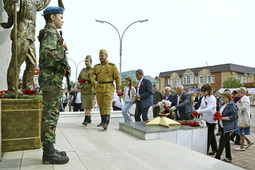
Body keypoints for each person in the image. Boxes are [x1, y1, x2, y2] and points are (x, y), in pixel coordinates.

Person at [38, 6, 70, 164]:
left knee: (52, 114)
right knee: (50, 114)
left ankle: (50, 148)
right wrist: (64, 60)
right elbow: (48, 53)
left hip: (52, 80)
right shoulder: (51, 32)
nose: (62, 20)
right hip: (51, 80)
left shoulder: (51, 32)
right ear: (52, 17)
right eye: (60, 17)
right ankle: (48, 153)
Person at [1, 0, 51, 94]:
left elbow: (42, 4)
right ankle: (12, 90)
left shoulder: (34, 1)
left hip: (31, 34)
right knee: (17, 61)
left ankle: (26, 89)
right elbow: (9, 8)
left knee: (32, 63)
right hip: (21, 31)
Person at [90, 49, 121, 130]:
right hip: (99, 88)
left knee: (107, 104)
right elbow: (91, 75)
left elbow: (117, 77)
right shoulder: (96, 67)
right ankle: (103, 120)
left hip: (109, 88)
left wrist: (118, 88)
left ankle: (106, 122)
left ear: (106, 56)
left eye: (102, 56)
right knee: (101, 105)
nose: (101, 57)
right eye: (100, 56)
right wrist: (94, 81)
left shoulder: (112, 66)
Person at [214, 91, 238, 163]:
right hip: (222, 125)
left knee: (222, 141)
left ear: (228, 98)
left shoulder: (232, 105)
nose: (222, 99)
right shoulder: (223, 104)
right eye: (222, 97)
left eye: (224, 97)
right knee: (226, 142)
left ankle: (218, 156)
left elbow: (234, 117)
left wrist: (222, 118)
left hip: (228, 127)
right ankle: (228, 157)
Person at [196, 84, 217, 155]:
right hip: (205, 118)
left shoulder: (212, 98)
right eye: (202, 90)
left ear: (208, 91)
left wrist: (199, 111)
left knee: (208, 135)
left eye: (204, 91)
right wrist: (197, 111)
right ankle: (215, 149)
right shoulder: (203, 97)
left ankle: (205, 151)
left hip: (211, 119)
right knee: (211, 135)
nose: (202, 92)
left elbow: (209, 108)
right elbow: (201, 106)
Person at [78, 55, 96, 126]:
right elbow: (79, 78)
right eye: (85, 61)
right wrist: (80, 81)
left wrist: (94, 78)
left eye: (88, 61)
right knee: (85, 105)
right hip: (84, 88)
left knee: (88, 105)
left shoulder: (93, 70)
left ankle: (86, 118)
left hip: (91, 89)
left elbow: (96, 78)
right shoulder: (83, 70)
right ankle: (88, 118)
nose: (86, 62)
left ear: (91, 62)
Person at [234, 87, 254, 151]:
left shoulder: (245, 99)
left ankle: (242, 147)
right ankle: (248, 142)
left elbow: (244, 108)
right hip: (241, 117)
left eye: (239, 92)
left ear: (242, 92)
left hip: (243, 118)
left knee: (241, 132)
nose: (238, 94)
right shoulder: (243, 98)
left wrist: (237, 107)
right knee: (240, 131)